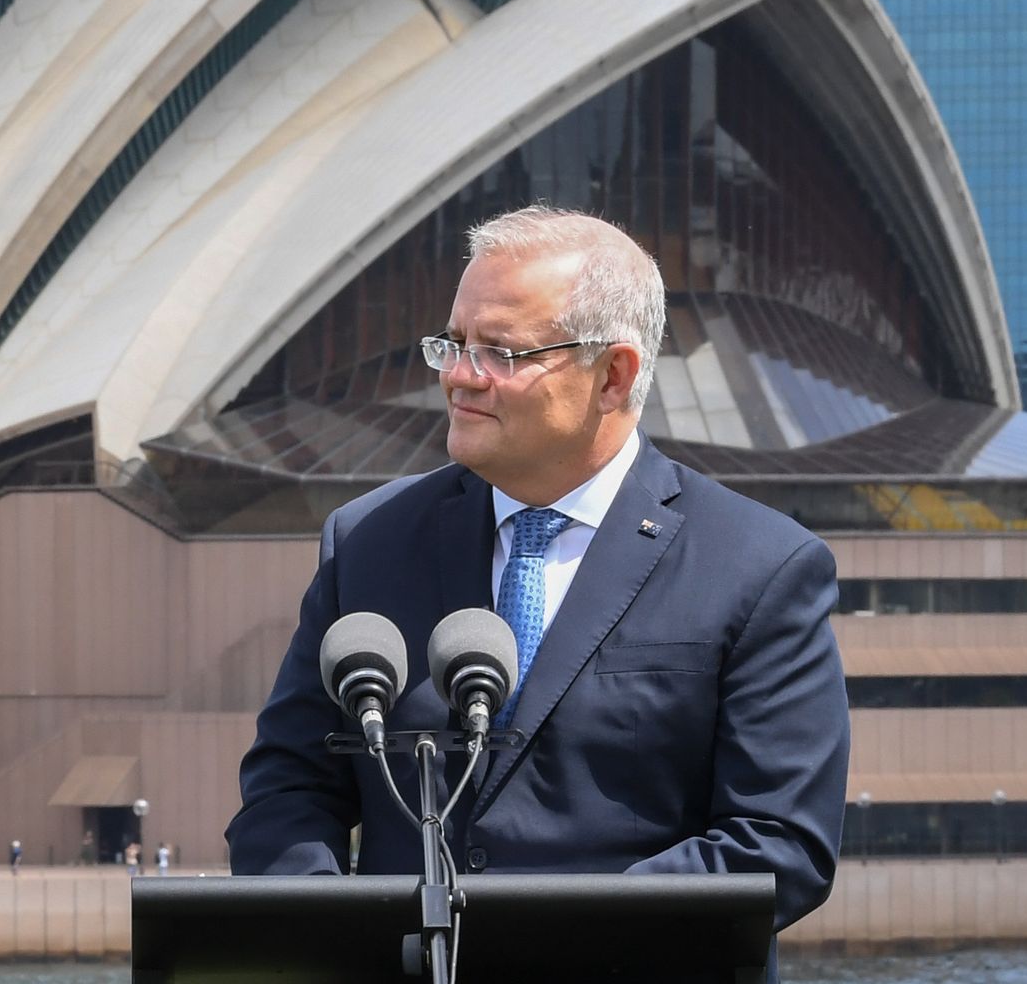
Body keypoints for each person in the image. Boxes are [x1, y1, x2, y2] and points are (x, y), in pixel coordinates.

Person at [227, 206, 849, 945]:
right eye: (453, 344)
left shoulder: (760, 566)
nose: (459, 377)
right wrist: (335, 940)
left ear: (613, 375)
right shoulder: (368, 541)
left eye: (500, 352)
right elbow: (287, 791)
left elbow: (778, 845)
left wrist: (539, 946)